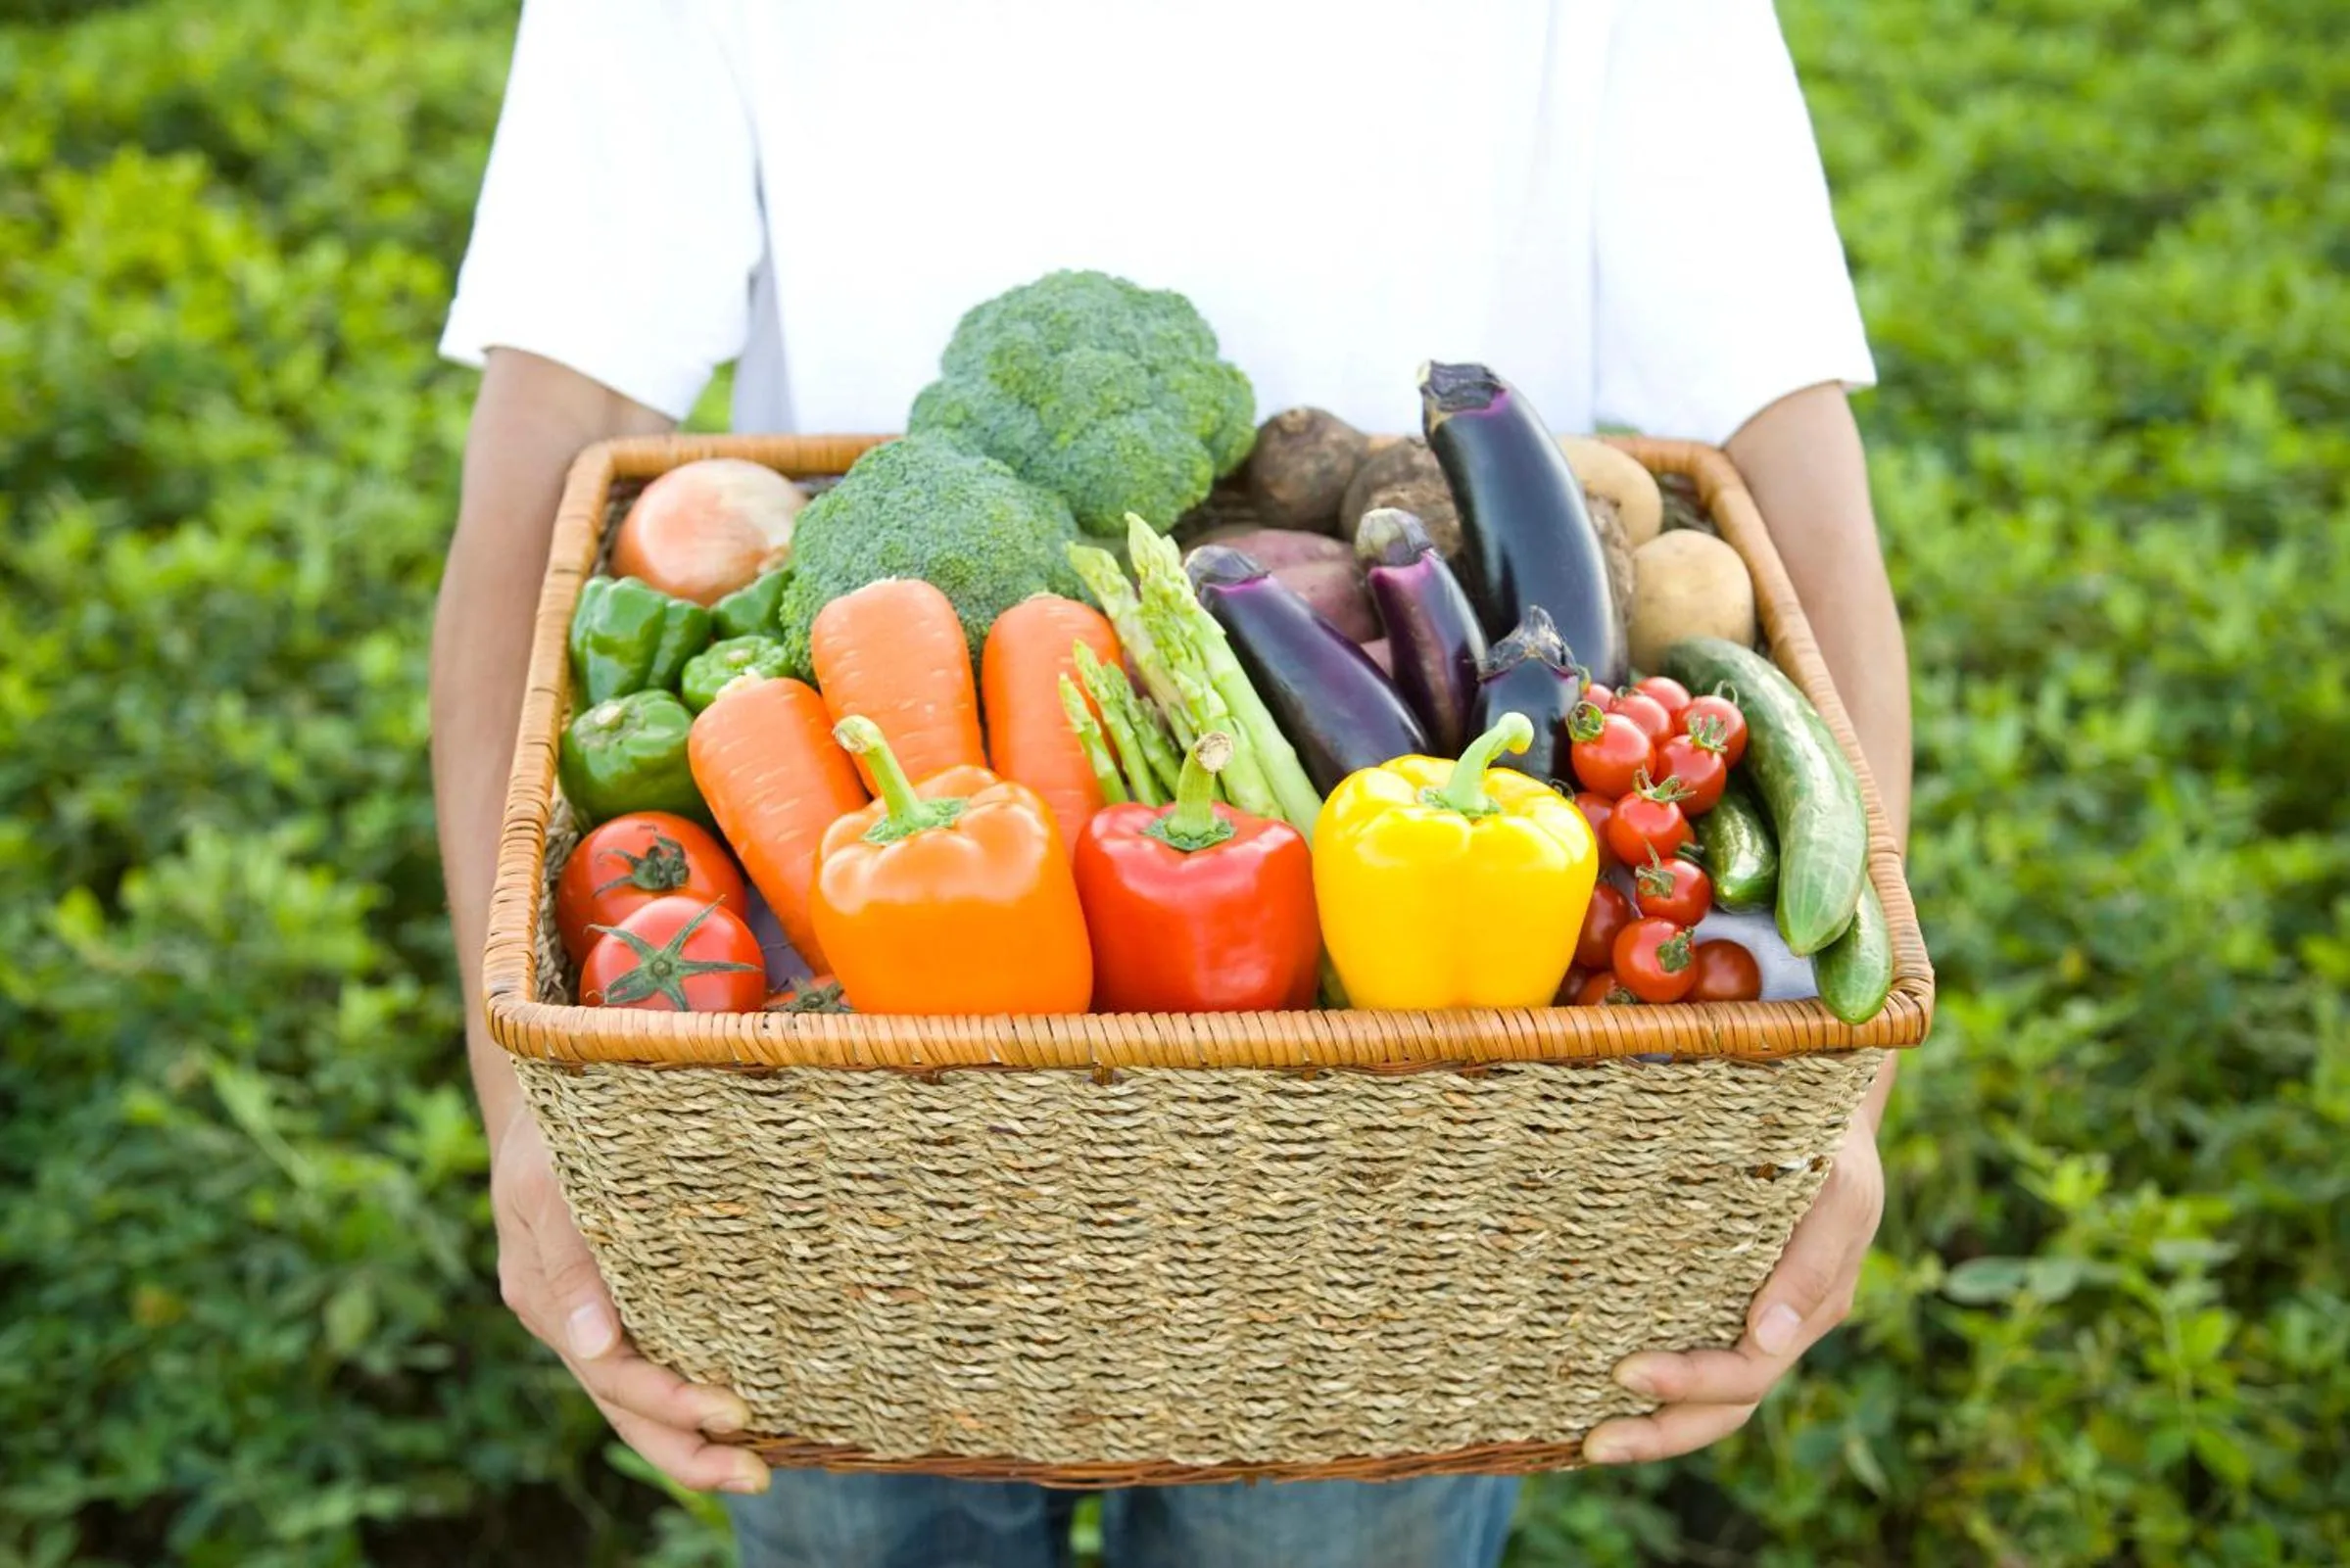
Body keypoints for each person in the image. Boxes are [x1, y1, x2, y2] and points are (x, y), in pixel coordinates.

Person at [429, 3, 1912, 1564]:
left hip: (1411, 1153)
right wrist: (518, 1097)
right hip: (847, 1146)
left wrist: (1837, 1106)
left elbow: (1794, 515)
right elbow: (546, 478)